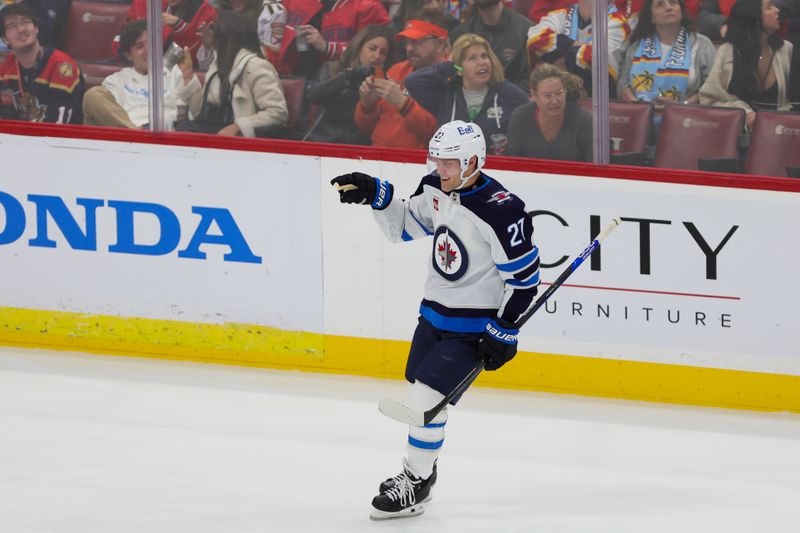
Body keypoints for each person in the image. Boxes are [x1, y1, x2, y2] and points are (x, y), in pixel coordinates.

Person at [330, 119, 540, 520]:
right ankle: (423, 479)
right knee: (426, 400)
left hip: (471, 328)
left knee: (424, 401)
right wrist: (377, 195)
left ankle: (415, 479)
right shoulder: (436, 187)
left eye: (449, 163)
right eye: (437, 160)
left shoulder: (500, 210)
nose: (439, 169)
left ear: (473, 161)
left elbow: (525, 281)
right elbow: (406, 226)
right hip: (432, 316)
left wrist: (505, 329)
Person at [405, 33, 529, 154]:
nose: (482, 62)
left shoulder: (507, 92)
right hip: (454, 169)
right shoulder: (445, 95)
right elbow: (412, 82)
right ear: (459, 68)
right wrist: (449, 66)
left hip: (496, 171)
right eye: (472, 58)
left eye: (484, 56)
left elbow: (528, 120)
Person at [177, 10, 288, 136]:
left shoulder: (256, 67)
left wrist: (238, 126)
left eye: (216, 33)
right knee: (181, 128)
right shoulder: (217, 65)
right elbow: (200, 113)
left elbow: (277, 112)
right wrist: (188, 75)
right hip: (210, 132)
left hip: (237, 141)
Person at [353, 12, 448, 148]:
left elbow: (441, 135)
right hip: (377, 157)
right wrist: (367, 105)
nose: (409, 48)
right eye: (407, 41)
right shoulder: (396, 70)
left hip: (417, 164)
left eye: (417, 41)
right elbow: (367, 129)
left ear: (440, 43)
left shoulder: (451, 78)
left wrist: (403, 103)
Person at [699, 0, 793, 128]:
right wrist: (744, 114)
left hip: (778, 133)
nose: (777, 10)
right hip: (735, 135)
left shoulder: (786, 49)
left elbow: (793, 101)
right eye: (769, 7)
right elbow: (710, 99)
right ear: (754, 17)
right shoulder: (727, 52)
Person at [83, 21, 190, 130]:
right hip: (126, 136)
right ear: (128, 55)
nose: (148, 50)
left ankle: (137, 134)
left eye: (151, 43)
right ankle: (137, 133)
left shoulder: (175, 72)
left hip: (163, 135)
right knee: (93, 94)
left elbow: (189, 113)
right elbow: (111, 115)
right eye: (139, 46)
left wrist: (188, 78)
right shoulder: (115, 80)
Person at [618, 0, 716, 108]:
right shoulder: (637, 46)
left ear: (681, 11)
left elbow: (711, 89)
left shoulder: (702, 44)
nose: (669, 7)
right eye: (660, 4)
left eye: (673, 2)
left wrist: (682, 106)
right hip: (641, 118)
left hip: (686, 118)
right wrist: (641, 107)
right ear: (652, 17)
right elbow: (623, 84)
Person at [306, 24, 394, 144]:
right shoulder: (331, 68)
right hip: (324, 141)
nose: (377, 56)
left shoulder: (386, 82)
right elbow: (315, 95)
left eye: (383, 53)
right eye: (372, 49)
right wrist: (347, 77)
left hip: (359, 147)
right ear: (359, 48)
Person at [0, 2, 84, 123]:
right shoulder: (6, 69)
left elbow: (58, 127)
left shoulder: (61, 66)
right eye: (12, 26)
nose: (21, 29)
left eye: (25, 22)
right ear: (4, 39)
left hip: (60, 139)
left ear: (36, 28)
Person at [526, 0, 631, 95]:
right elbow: (534, 38)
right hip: (555, 94)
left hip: (596, 99)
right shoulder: (561, 15)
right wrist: (573, 45)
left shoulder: (619, 24)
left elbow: (597, 56)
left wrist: (556, 59)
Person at [272, 0, 390, 78]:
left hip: (337, 83)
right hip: (287, 76)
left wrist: (327, 47)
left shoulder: (368, 7)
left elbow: (373, 54)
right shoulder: (294, 2)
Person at [506, 62, 592, 161]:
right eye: (547, 95)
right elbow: (512, 163)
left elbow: (594, 169)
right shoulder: (519, 118)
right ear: (534, 95)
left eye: (559, 93)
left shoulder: (583, 121)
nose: (555, 100)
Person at [449, 0, 533, 88]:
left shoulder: (527, 31)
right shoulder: (459, 35)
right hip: (472, 97)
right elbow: (455, 68)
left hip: (514, 98)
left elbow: (532, 80)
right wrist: (464, 71)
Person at [121, 0, 217, 65]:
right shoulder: (150, 4)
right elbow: (120, 45)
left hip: (181, 77)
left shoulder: (207, 10)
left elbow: (195, 59)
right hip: (141, 71)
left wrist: (180, 26)